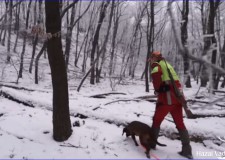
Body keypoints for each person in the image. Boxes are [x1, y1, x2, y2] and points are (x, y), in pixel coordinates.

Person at [149, 51, 193, 159]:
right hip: (179, 98)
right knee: (180, 123)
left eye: (151, 58)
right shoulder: (167, 64)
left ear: (155, 58)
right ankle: (187, 150)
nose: (151, 60)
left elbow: (157, 82)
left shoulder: (156, 66)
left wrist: (157, 90)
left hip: (167, 99)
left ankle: (151, 144)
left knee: (156, 120)